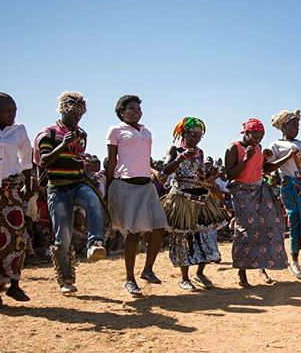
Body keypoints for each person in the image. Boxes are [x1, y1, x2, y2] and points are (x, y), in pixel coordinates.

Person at [34, 91, 106, 294]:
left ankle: (95, 243)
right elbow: (45, 160)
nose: (77, 118)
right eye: (74, 114)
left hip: (77, 183)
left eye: (80, 115)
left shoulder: (81, 134)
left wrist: (83, 168)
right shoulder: (48, 133)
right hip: (57, 188)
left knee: (93, 202)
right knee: (62, 236)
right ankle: (66, 279)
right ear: (64, 110)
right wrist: (64, 145)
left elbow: (79, 159)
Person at [105, 95, 167, 296]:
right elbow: (112, 162)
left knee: (159, 226)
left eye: (138, 108)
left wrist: (154, 171)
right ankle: (129, 279)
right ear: (121, 112)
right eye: (131, 108)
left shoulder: (146, 132)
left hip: (147, 185)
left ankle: (147, 269)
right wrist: (107, 190)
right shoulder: (116, 131)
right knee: (133, 233)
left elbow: (142, 159)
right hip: (126, 186)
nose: (136, 111)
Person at [161, 117, 228, 291]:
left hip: (201, 196)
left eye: (199, 135)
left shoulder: (200, 152)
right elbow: (165, 170)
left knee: (206, 235)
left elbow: (200, 173)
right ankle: (184, 278)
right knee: (184, 237)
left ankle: (200, 272)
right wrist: (180, 158)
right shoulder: (175, 149)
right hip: (182, 196)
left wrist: (210, 174)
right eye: (193, 134)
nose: (196, 138)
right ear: (183, 133)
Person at [224, 118, 287, 287]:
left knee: (270, 225)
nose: (258, 140)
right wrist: (246, 159)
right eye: (255, 136)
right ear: (247, 132)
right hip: (242, 192)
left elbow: (264, 169)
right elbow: (229, 175)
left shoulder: (258, 147)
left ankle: (263, 266)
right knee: (246, 230)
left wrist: (284, 158)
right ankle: (241, 273)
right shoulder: (234, 148)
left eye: (261, 137)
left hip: (259, 189)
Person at [266, 109, 301, 278]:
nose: (297, 128)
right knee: (295, 221)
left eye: (297, 124)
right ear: (283, 126)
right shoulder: (275, 146)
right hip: (291, 186)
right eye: (293, 125)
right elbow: (267, 168)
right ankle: (294, 262)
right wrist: (287, 157)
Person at [0, 93, 33, 307]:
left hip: (11, 189)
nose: (12, 114)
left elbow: (27, 160)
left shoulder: (19, 130)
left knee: (17, 235)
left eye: (14, 110)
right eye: (8, 111)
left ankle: (14, 285)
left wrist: (29, 186)